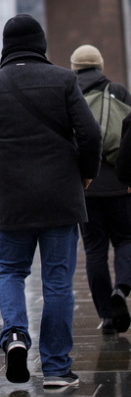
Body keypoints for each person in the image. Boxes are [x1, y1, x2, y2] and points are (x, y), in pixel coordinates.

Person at [0, 14, 101, 388]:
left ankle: (15, 335)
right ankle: (57, 369)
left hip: (13, 200)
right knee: (58, 281)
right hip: (61, 195)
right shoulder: (64, 79)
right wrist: (86, 172)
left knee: (11, 271)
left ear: (6, 47)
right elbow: (90, 133)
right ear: (41, 43)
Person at [70, 44, 131, 334]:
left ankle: (106, 316)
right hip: (120, 184)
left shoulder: (68, 93)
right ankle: (121, 289)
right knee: (125, 241)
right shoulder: (118, 91)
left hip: (85, 186)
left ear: (73, 67)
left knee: (94, 251)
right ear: (100, 64)